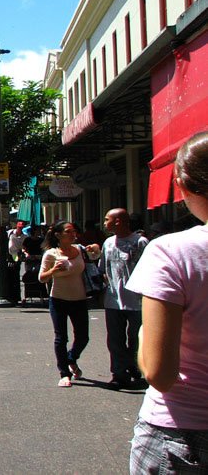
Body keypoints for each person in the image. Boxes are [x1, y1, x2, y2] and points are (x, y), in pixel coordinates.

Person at [127, 132, 208, 473]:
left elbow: (159, 373)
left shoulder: (171, 253)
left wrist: (145, 333)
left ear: (180, 185)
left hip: (182, 433)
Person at [38, 220, 100, 387]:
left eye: (74, 232)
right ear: (58, 235)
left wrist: (96, 248)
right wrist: (53, 271)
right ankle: (64, 373)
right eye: (69, 232)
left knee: (83, 337)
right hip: (58, 300)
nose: (73, 235)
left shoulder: (80, 249)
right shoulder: (51, 254)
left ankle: (71, 358)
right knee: (61, 337)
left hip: (79, 300)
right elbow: (42, 277)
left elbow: (96, 256)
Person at [99, 207, 149, 390]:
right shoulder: (108, 243)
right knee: (115, 340)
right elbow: (103, 269)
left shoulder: (140, 242)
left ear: (118, 221)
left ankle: (135, 368)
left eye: (107, 219)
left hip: (137, 301)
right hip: (113, 300)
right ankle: (119, 374)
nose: (104, 223)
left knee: (136, 338)